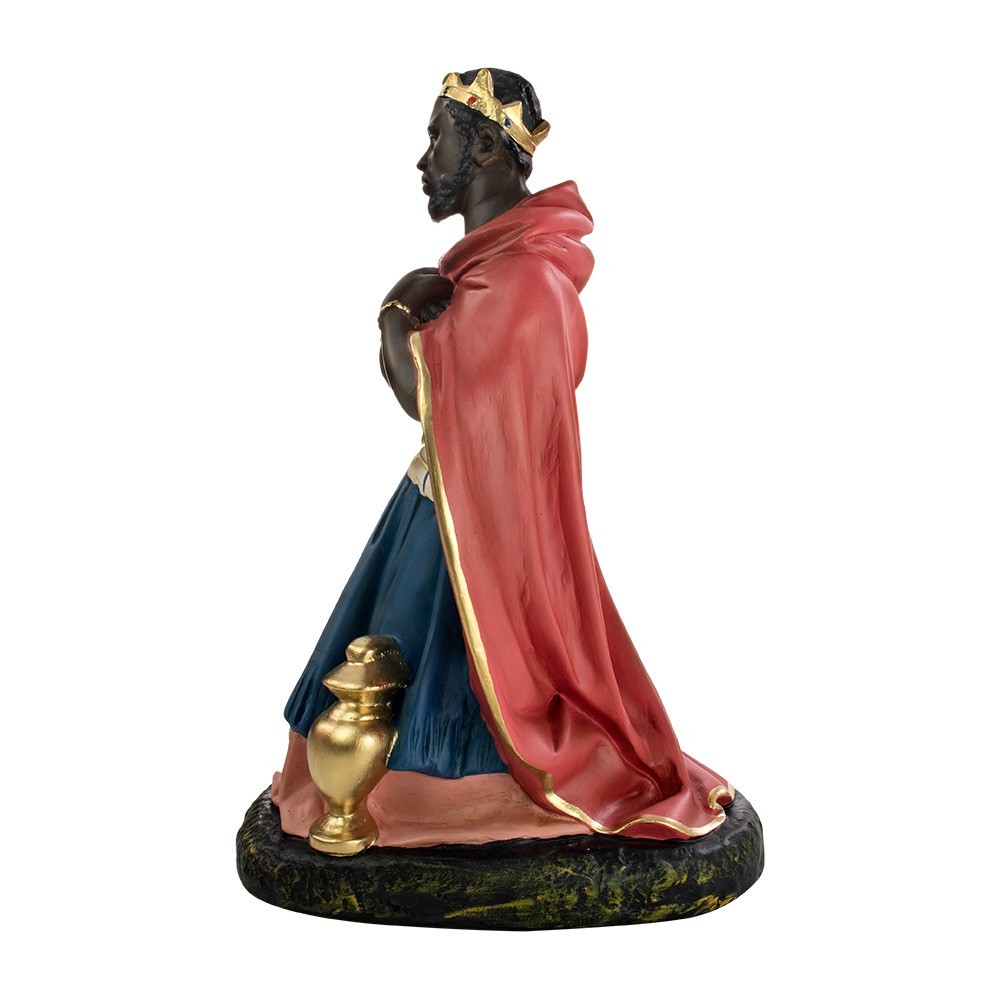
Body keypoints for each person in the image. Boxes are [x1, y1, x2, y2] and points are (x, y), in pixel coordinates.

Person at [272, 69, 733, 847]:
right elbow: (445, 399)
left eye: (438, 138)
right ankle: (370, 794)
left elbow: (429, 399)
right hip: (441, 506)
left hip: (487, 540)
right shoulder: (488, 271)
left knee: (435, 682)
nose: (424, 160)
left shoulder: (523, 282)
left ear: (485, 146)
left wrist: (394, 312)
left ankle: (447, 802)